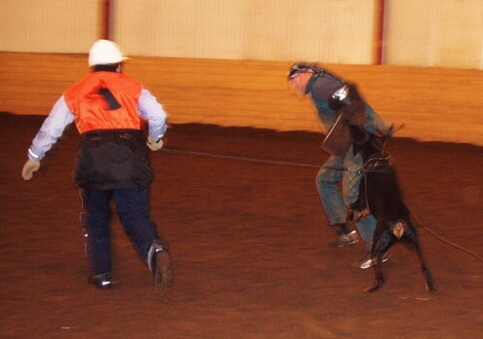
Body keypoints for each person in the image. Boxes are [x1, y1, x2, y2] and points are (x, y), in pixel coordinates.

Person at [21, 39, 173, 295]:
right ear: (118, 65)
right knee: (135, 217)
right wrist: (155, 138)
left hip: (94, 159)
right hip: (130, 158)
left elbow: (52, 127)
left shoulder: (75, 90)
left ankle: (102, 273)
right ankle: (155, 250)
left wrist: (35, 155)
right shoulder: (134, 86)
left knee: (96, 218)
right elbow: (157, 115)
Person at [286, 63, 393, 269]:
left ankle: (377, 247)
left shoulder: (320, 86)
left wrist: (365, 133)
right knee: (324, 179)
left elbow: (354, 103)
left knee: (352, 195)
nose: (293, 87)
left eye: (294, 80)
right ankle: (345, 230)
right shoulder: (319, 87)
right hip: (350, 144)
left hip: (357, 144)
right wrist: (382, 126)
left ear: (306, 74)